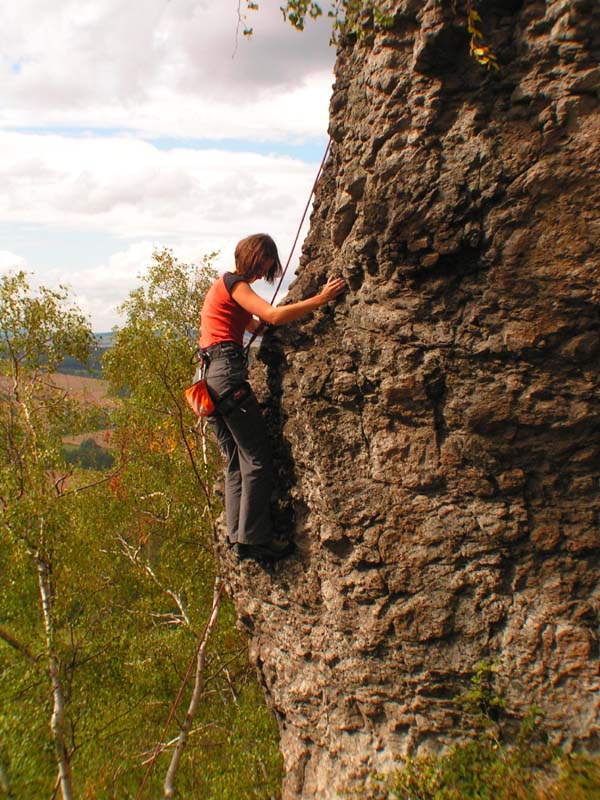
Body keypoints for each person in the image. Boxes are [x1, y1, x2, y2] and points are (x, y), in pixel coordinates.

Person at [199, 233, 346, 563]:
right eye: (268, 261)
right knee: (256, 457)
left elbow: (257, 324)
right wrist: (320, 300)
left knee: (236, 459)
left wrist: (265, 324)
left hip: (208, 379)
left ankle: (237, 537)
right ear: (259, 257)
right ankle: (255, 539)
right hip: (226, 375)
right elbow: (274, 316)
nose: (269, 268)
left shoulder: (221, 287)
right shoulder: (235, 284)